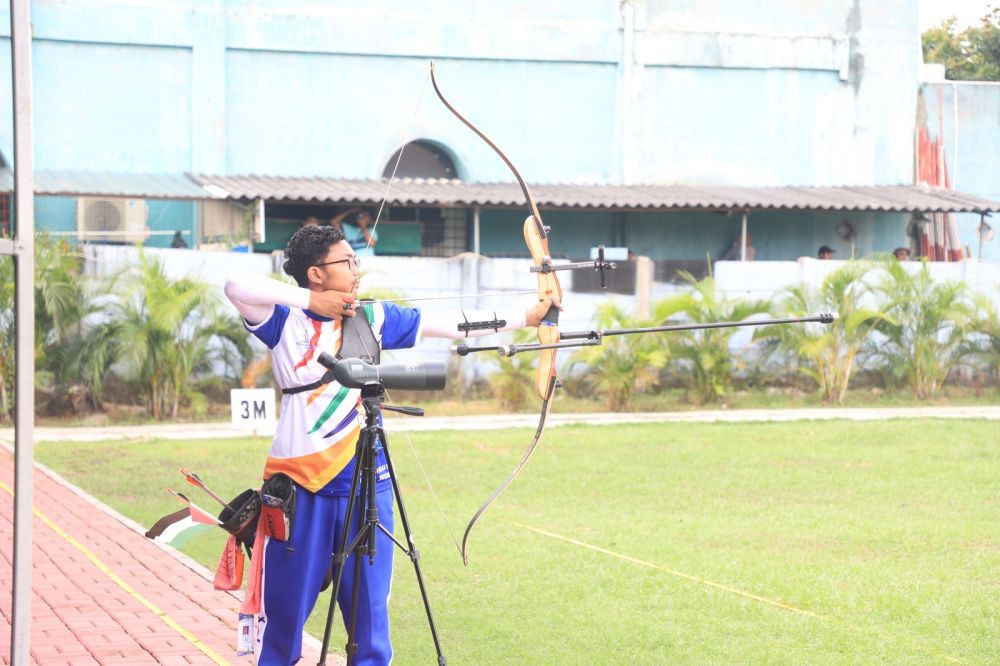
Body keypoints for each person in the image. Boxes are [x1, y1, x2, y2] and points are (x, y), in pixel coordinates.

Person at [223, 224, 555, 665]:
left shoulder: (372, 319)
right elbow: (235, 286)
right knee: (284, 619)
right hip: (300, 490)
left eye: (356, 260)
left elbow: (451, 324)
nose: (357, 270)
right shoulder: (286, 321)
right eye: (347, 262)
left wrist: (530, 316)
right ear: (316, 274)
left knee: (370, 623)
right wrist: (310, 301)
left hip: (367, 485)